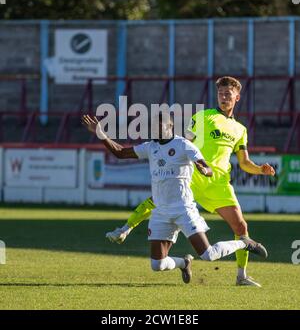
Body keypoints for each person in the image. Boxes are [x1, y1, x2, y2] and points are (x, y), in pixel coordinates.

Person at [105, 76, 275, 287]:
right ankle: (125, 228)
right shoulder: (203, 116)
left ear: (237, 97)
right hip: (194, 176)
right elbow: (184, 142)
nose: (223, 97)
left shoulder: (240, 130)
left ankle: (241, 276)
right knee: (157, 200)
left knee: (241, 225)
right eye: (221, 93)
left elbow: (245, 162)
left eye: (228, 94)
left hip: (219, 183)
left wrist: (260, 169)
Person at [82, 113, 268, 284]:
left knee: (208, 254)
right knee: (158, 265)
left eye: (158, 126)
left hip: (184, 209)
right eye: (151, 127)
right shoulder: (150, 147)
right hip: (161, 212)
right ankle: (184, 263)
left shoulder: (183, 145)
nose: (153, 130)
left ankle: (244, 242)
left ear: (170, 127)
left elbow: (205, 165)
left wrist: (205, 170)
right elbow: (121, 152)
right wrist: (101, 134)